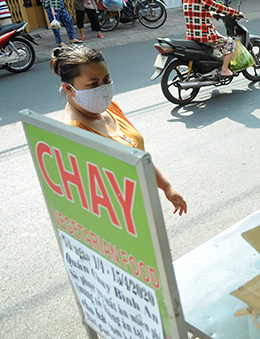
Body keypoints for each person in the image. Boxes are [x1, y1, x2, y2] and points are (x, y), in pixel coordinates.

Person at [50, 45, 187, 215]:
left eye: (106, 80)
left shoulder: (109, 109)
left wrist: (167, 186)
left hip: (141, 209)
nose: (103, 89)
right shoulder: (74, 135)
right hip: (120, 222)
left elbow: (138, 158)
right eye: (93, 84)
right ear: (69, 88)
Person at [182, 0, 244, 78]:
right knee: (230, 43)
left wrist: (209, 14)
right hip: (205, 36)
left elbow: (194, 12)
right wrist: (236, 13)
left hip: (191, 35)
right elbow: (220, 8)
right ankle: (224, 70)